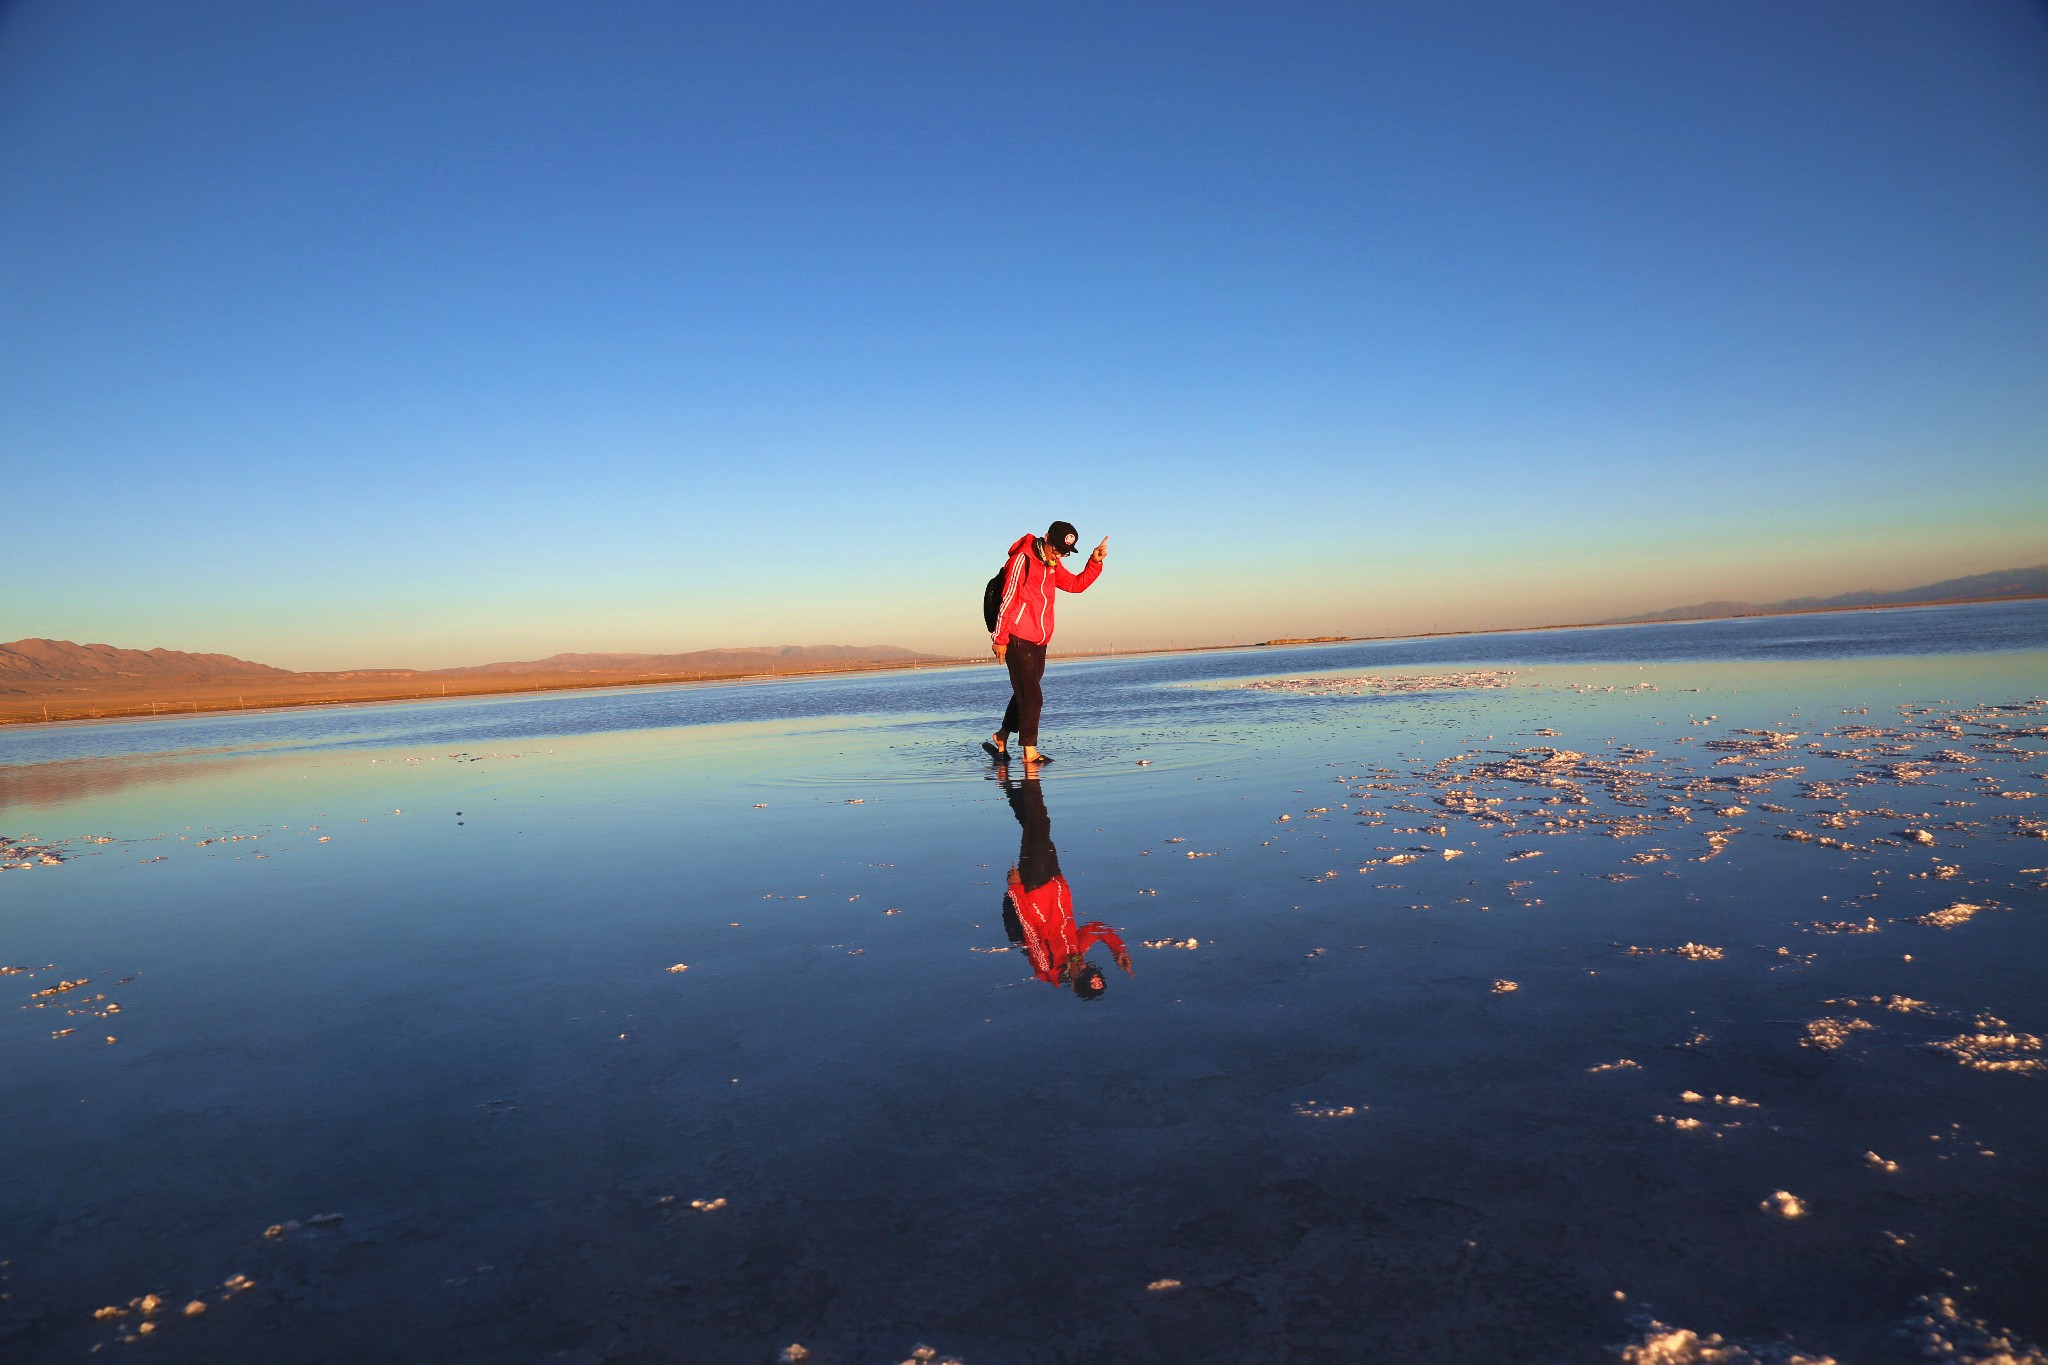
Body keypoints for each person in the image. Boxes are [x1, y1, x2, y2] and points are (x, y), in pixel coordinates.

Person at [998, 770, 1132, 999]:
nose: (1084, 965)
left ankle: (1030, 774)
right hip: (1054, 880)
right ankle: (1007, 782)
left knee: (1039, 825)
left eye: (1083, 973)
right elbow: (1095, 929)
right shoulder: (1076, 953)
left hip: (1034, 888)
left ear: (1072, 982)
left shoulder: (1047, 965)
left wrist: (1016, 888)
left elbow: (1029, 929)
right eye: (1089, 968)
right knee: (1033, 828)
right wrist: (1117, 950)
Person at [984, 519, 1107, 766]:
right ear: (1047, 538)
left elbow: (1074, 585)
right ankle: (1029, 752)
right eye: (1058, 549)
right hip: (1017, 637)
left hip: (1039, 639)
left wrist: (1094, 562)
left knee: (1025, 693)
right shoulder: (1023, 559)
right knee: (1033, 697)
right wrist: (1000, 638)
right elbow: (1008, 598)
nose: (1060, 554)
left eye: (1065, 552)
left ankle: (1001, 736)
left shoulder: (1052, 564)